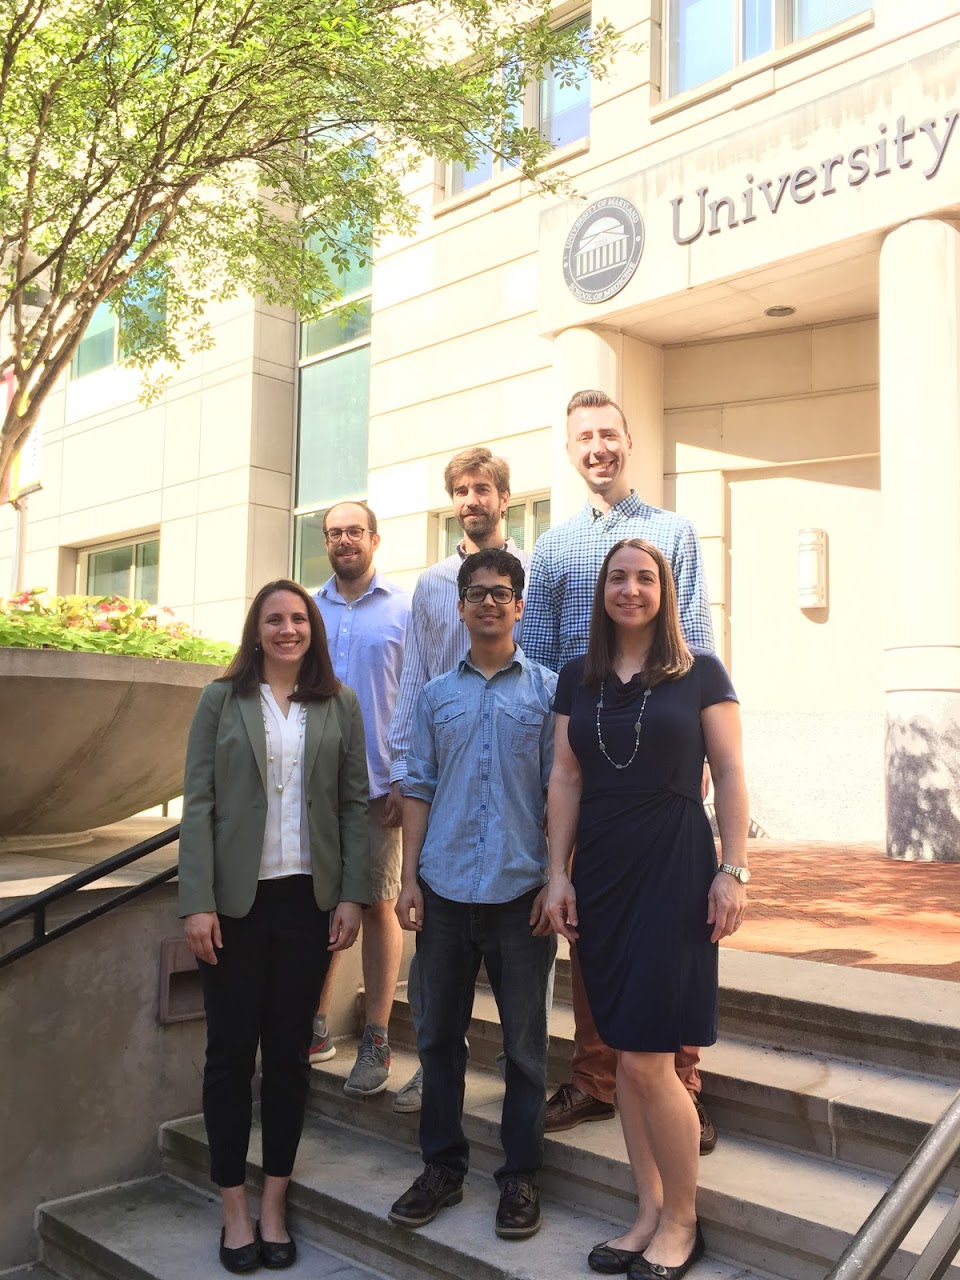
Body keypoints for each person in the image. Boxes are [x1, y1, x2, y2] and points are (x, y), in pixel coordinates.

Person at [544, 539, 748, 1280]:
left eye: (645, 578)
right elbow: (565, 778)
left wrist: (732, 869)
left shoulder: (701, 674)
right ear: (602, 592)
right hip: (600, 871)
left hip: (675, 865)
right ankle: (648, 1209)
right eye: (618, 578)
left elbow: (727, 772)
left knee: (649, 1059)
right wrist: (555, 875)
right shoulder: (579, 677)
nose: (630, 589)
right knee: (625, 1062)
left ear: (664, 590)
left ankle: (683, 1221)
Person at [521, 388, 717, 1151]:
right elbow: (537, 663)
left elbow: (695, 640)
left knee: (671, 925)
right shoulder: (554, 547)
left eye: (608, 433)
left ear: (628, 441)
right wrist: (548, 769)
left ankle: (682, 1087)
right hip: (585, 762)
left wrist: (696, 752)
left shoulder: (673, 532)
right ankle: (596, 1078)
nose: (596, 446)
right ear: (570, 450)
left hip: (660, 763)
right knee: (594, 929)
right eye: (583, 437)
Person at [179, 579, 371, 1274]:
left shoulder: (338, 704)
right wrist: (194, 900)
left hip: (306, 904)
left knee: (289, 1058)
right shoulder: (220, 699)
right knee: (230, 1057)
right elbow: (196, 802)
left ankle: (274, 1203)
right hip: (233, 906)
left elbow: (354, 805)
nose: (288, 629)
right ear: (255, 630)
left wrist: (352, 895)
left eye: (299, 619)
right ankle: (233, 1206)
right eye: (275, 619)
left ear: (313, 630)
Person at [389, 549, 557, 1240]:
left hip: (522, 896)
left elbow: (561, 794)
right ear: (459, 608)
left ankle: (519, 1178)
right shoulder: (436, 696)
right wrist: (406, 881)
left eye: (502, 593)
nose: (489, 603)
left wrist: (557, 876)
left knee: (524, 1050)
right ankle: (443, 1168)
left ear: (520, 606)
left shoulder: (548, 692)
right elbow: (418, 788)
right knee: (437, 1041)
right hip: (446, 892)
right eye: (477, 593)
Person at [386, 446, 531, 1114]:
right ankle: (438, 1070)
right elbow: (414, 672)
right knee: (441, 959)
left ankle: (515, 1058)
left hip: (509, 761)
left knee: (508, 937)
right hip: (441, 765)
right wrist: (399, 767)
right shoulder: (432, 583)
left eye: (483, 489)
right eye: (461, 492)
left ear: (503, 497)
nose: (472, 501)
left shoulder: (531, 571)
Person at [311, 502, 412, 1098]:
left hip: (378, 787)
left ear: (375, 538)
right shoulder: (305, 610)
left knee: (378, 906)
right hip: (310, 787)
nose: (344, 540)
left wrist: (405, 777)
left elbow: (416, 695)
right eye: (334, 533)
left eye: (354, 531)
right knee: (314, 901)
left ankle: (375, 1036)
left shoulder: (403, 609)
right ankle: (313, 1024)